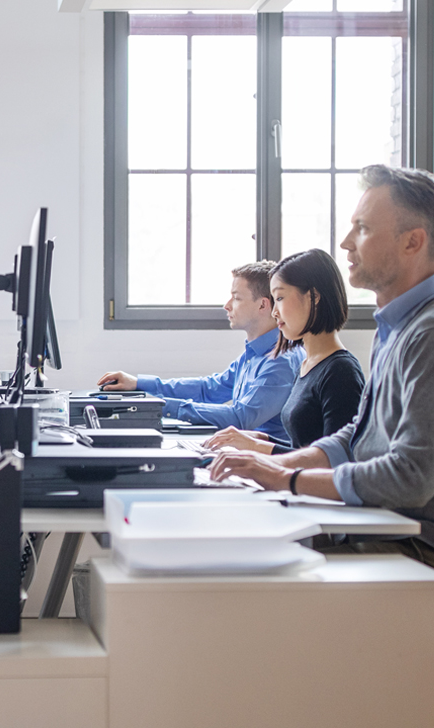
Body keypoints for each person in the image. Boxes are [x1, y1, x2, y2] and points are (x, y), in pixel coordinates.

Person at [209, 165, 434, 561]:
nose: (346, 243)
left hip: (412, 543)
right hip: (379, 524)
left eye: (362, 229)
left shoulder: (426, 335)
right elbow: (355, 435)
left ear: (412, 242)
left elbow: (410, 477)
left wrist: (288, 478)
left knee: (242, 567)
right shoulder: (394, 327)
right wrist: (269, 465)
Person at [97, 261, 300, 439]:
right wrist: (139, 384)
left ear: (263, 305)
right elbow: (210, 389)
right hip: (241, 451)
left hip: (264, 463)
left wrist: (161, 406)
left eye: (236, 298)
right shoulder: (254, 353)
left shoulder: (279, 362)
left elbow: (241, 417)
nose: (227, 305)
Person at [205, 249, 364, 455]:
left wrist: (258, 447)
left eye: (279, 298)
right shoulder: (308, 364)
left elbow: (335, 461)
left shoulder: (341, 372)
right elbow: (304, 447)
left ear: (313, 296)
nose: (274, 312)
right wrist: (259, 439)